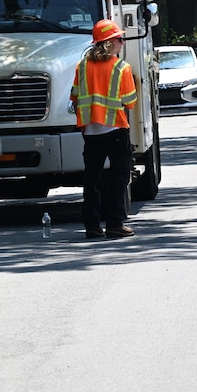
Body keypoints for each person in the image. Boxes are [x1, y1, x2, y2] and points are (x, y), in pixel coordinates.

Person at [71, 18, 139, 238]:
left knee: (92, 180)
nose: (122, 42)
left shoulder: (81, 66)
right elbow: (130, 101)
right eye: (119, 39)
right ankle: (114, 224)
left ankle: (91, 225)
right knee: (118, 179)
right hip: (116, 130)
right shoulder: (121, 67)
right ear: (109, 43)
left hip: (90, 132)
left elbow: (74, 96)